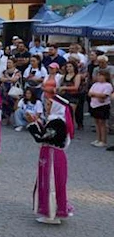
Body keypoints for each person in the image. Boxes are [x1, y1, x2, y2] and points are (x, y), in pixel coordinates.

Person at [26, 96, 74, 225]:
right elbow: (46, 134)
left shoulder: (57, 122)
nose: (46, 107)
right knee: (53, 182)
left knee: (50, 182)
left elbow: (42, 138)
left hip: (52, 155)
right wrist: (37, 123)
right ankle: (54, 210)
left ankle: (51, 214)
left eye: (48, 105)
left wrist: (32, 125)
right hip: (52, 154)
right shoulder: (56, 121)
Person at [88, 69, 113, 148]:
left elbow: (104, 95)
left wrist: (94, 95)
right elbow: (89, 93)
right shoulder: (95, 84)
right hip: (94, 105)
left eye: (101, 75)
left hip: (103, 106)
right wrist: (97, 95)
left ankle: (103, 140)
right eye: (98, 75)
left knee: (102, 123)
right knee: (97, 122)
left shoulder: (108, 85)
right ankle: (98, 139)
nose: (99, 77)